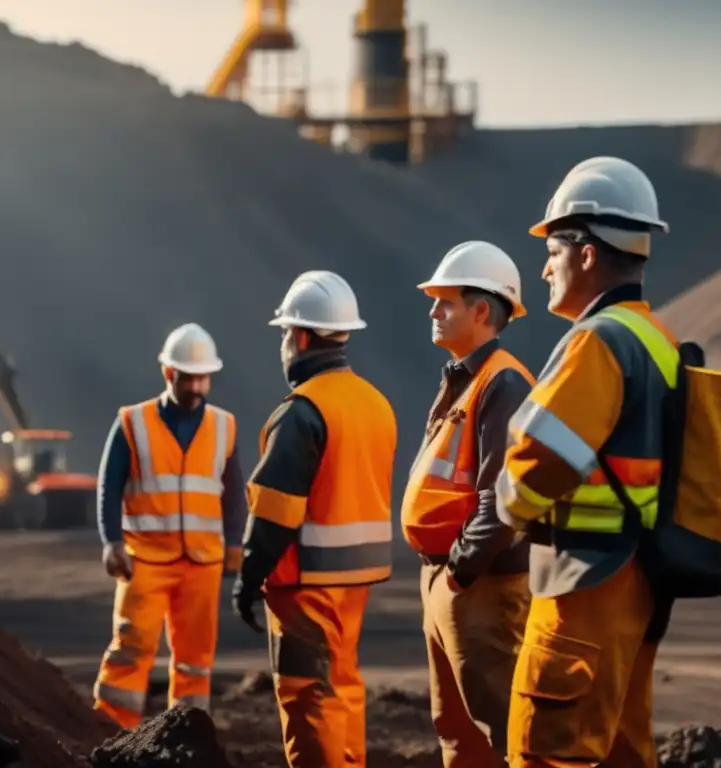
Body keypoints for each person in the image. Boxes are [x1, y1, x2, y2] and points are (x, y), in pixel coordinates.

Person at [495, 156, 673, 767]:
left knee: (547, 751)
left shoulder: (597, 343)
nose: (544, 266)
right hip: (637, 584)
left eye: (553, 248)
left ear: (588, 254)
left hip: (582, 588)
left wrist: (505, 505)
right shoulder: (657, 341)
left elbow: (536, 466)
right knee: (623, 751)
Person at [232, 270, 397, 767]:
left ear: (300, 337)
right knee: (342, 686)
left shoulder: (303, 411)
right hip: (354, 584)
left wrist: (248, 576)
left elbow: (275, 512)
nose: (284, 344)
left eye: (285, 332)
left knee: (310, 697)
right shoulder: (374, 404)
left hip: (305, 588)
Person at [401, 241, 535, 767]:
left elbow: (501, 497)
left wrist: (458, 572)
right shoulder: (463, 378)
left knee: (507, 732)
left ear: (482, 311)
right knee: (456, 730)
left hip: (479, 585)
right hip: (447, 580)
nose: (433, 311)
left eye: (446, 301)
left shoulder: (502, 384)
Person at [92, 322, 249, 728]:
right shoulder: (133, 422)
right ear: (168, 374)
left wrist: (235, 544)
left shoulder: (223, 426)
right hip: (144, 558)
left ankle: (187, 733)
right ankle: (111, 727)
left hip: (202, 561)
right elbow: (109, 485)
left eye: (203, 378)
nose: (197, 387)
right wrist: (111, 541)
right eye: (188, 378)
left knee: (196, 660)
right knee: (130, 648)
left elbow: (233, 493)